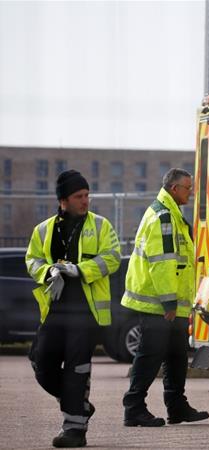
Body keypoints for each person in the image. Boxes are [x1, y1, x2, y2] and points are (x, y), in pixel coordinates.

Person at [25, 169, 121, 448]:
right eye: (79, 196)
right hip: (54, 311)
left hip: (86, 313)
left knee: (77, 369)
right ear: (63, 201)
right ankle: (78, 404)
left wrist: (79, 270)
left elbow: (112, 258)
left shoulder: (101, 226)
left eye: (87, 195)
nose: (85, 200)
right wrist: (49, 272)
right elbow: (32, 260)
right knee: (41, 363)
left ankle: (74, 430)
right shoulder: (43, 230)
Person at [121, 168, 209, 427]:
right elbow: (163, 263)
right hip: (159, 304)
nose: (190, 192)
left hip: (171, 304)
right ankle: (134, 408)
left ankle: (177, 406)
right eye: (187, 188)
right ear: (174, 188)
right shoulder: (164, 218)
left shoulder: (170, 214)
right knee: (150, 355)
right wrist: (169, 301)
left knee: (176, 357)